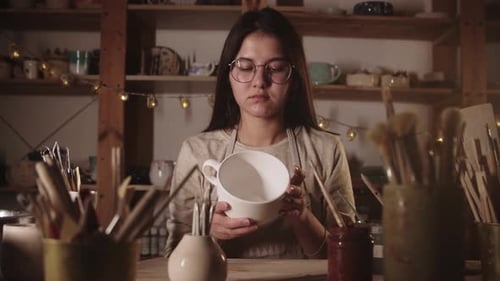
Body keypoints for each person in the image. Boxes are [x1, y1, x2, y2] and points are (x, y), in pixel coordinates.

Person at [165, 7, 355, 259]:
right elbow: (172, 256)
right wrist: (207, 234)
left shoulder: (326, 149)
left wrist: (302, 217)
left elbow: (346, 258)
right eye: (245, 66)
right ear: (228, 75)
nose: (259, 81)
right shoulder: (198, 152)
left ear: (294, 77)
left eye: (275, 68)